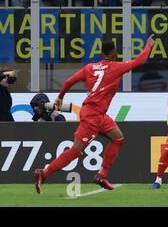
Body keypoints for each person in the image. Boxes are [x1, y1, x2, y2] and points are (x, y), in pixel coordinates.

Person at [33, 35, 155, 194]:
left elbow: (69, 81)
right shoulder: (116, 67)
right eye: (116, 52)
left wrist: (60, 97)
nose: (117, 54)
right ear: (112, 53)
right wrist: (149, 45)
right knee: (76, 150)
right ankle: (43, 173)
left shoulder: (89, 68)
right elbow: (139, 61)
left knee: (118, 138)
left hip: (98, 114)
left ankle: (101, 175)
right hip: (92, 116)